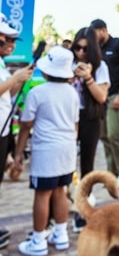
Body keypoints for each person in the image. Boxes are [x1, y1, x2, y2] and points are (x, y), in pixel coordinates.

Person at [13, 46, 79, 255]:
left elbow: (25, 126)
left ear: (48, 70)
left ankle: (38, 240)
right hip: (67, 149)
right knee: (60, 190)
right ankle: (61, 234)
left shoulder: (37, 92)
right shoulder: (72, 93)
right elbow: (75, 123)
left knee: (42, 194)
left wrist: (17, 154)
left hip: (46, 151)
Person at [0, 13, 35, 251]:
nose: (9, 44)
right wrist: (14, 78)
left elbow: (7, 96)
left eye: (12, 39)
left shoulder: (2, 64)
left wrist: (19, 82)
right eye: (3, 40)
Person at [70, 27, 110, 232]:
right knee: (66, 165)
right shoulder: (66, 63)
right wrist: (70, 77)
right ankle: (66, 203)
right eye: (77, 48)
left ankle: (83, 209)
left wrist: (87, 77)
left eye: (85, 49)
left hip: (90, 118)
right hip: (68, 118)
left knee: (87, 163)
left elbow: (102, 97)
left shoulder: (100, 66)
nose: (80, 53)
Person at [90, 19, 119, 189]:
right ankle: (111, 173)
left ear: (102, 30)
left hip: (116, 95)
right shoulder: (97, 49)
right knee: (104, 136)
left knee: (115, 134)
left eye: (95, 33)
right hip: (102, 97)